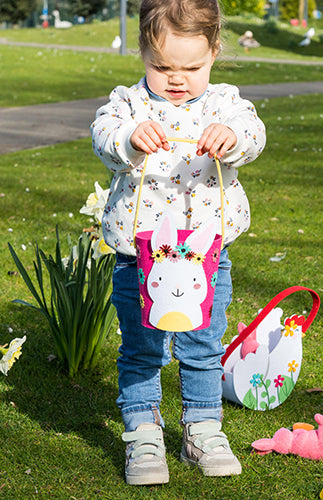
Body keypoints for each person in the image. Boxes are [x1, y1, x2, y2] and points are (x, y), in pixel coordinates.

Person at [90, 0, 266, 486]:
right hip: (139, 256)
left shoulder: (224, 103)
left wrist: (231, 137)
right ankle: (143, 431)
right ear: (143, 52)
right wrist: (128, 137)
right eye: (161, 65)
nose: (176, 78)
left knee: (203, 343)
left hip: (206, 258)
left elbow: (254, 133)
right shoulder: (129, 104)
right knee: (143, 347)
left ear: (213, 53)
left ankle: (202, 428)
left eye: (192, 67)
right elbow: (102, 134)